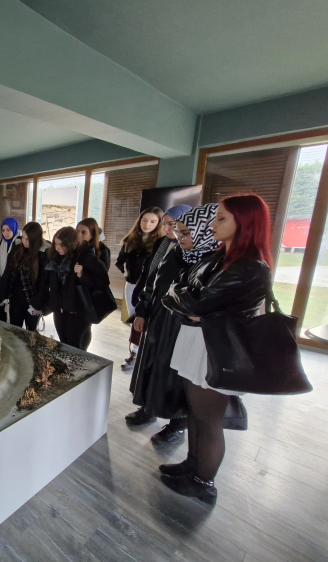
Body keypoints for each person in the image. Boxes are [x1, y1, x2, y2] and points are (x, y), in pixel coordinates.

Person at [160, 195, 272, 503]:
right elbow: (179, 291)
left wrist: (185, 297)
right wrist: (185, 296)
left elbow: (196, 302)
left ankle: (203, 482)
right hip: (198, 340)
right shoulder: (218, 257)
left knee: (209, 420)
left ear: (245, 222)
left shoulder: (250, 267)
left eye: (221, 218)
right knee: (195, 413)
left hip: (216, 348)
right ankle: (193, 464)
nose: (212, 224)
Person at [124, 204, 195, 441]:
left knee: (174, 372)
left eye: (173, 225)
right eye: (166, 224)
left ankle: (177, 424)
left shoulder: (198, 253)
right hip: (158, 317)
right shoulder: (165, 246)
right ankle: (148, 407)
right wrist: (142, 312)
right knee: (151, 364)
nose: (168, 229)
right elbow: (151, 281)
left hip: (180, 323)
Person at [35, 227, 109, 350]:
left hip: (78, 312)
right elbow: (45, 283)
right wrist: (39, 304)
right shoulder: (54, 258)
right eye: (56, 244)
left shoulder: (86, 258)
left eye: (61, 245)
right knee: (64, 343)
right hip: (59, 310)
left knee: (75, 345)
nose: (57, 248)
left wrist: (82, 275)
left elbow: (103, 282)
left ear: (71, 244)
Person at [115, 207, 164, 369]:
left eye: (152, 221)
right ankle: (135, 353)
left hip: (149, 288)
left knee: (145, 321)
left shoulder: (161, 243)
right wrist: (127, 272)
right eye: (144, 220)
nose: (147, 224)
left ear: (158, 223)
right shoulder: (130, 239)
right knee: (134, 320)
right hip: (131, 285)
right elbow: (120, 261)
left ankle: (142, 354)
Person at [0, 222, 49, 330]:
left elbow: (44, 283)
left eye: (28, 239)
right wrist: (3, 295)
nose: (24, 241)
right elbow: (8, 273)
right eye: (23, 238)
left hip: (32, 302)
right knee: (15, 330)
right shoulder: (17, 249)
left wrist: (37, 304)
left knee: (31, 332)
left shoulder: (42, 254)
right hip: (16, 300)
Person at [0, 218, 21, 318]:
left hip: (13, 283)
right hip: (1, 282)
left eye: (8, 230)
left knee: (11, 312)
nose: (6, 233)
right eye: (3, 230)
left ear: (14, 229)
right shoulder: (1, 242)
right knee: (1, 310)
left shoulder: (19, 243)